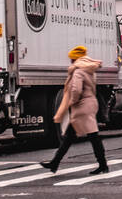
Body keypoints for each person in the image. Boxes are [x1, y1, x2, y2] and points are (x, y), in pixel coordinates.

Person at [40, 46, 108, 175]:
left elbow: (76, 90)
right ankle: (54, 163)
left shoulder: (78, 72)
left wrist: (72, 102)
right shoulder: (89, 69)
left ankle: (103, 165)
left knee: (92, 136)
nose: (70, 62)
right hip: (89, 103)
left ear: (75, 58)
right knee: (71, 136)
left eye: (71, 59)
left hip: (82, 106)